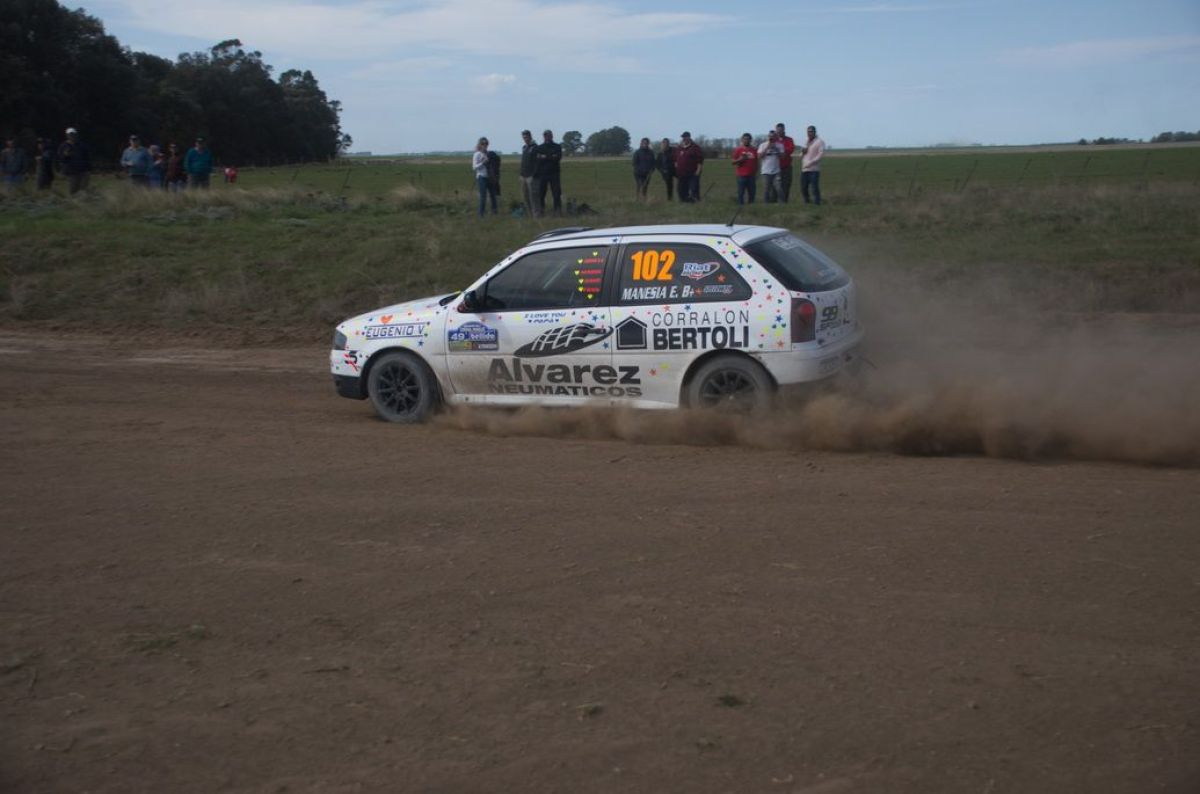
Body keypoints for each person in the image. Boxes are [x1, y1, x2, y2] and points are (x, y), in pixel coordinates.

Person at [534, 129, 563, 216]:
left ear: (552, 136)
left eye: (549, 135)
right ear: (544, 136)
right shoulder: (540, 147)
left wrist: (545, 157)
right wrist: (551, 156)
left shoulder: (557, 146)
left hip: (554, 173)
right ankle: (541, 211)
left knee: (556, 193)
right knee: (541, 193)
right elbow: (538, 159)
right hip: (543, 174)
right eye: (546, 135)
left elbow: (558, 158)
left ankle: (557, 211)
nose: (547, 137)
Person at [57, 127, 91, 195]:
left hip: (82, 170)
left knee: (83, 189)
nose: (72, 136)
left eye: (73, 134)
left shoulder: (81, 145)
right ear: (67, 135)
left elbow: (87, 157)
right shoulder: (63, 146)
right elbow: (60, 158)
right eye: (70, 134)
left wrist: (88, 168)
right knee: (73, 189)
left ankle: (82, 201)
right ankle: (73, 202)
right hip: (71, 171)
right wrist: (65, 155)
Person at [674, 131, 704, 202]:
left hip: (692, 173)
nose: (684, 139)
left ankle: (696, 201)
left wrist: (698, 172)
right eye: (683, 137)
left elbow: (700, 161)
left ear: (689, 137)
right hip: (681, 173)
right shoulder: (680, 148)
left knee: (694, 189)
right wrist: (676, 167)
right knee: (681, 189)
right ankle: (684, 201)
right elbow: (675, 159)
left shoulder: (695, 147)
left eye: (685, 137)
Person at [800, 125, 825, 205]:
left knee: (814, 187)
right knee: (803, 187)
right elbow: (801, 154)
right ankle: (807, 201)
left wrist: (811, 162)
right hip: (805, 168)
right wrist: (802, 152)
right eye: (808, 132)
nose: (809, 133)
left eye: (811, 131)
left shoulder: (819, 142)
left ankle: (817, 202)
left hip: (814, 169)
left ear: (815, 132)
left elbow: (820, 155)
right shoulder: (805, 141)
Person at [731, 132, 758, 205]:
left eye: (748, 139)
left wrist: (756, 173)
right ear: (742, 140)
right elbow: (733, 162)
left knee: (752, 193)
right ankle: (741, 206)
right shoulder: (738, 150)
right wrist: (740, 159)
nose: (746, 141)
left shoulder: (754, 150)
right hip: (741, 175)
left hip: (751, 175)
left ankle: (751, 205)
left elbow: (756, 162)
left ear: (751, 140)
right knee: (741, 192)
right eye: (745, 139)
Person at [471, 137, 496, 216]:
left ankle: (494, 212)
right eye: (482, 143)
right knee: (483, 196)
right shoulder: (477, 154)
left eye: (486, 143)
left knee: (493, 195)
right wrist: (483, 163)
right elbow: (474, 167)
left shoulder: (488, 153)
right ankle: (481, 214)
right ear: (480, 144)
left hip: (490, 177)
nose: (484, 145)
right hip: (481, 177)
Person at [758, 129, 783, 203]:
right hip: (766, 171)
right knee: (767, 189)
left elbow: (782, 157)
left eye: (773, 136)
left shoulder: (780, 145)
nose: (772, 138)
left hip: (776, 171)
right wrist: (767, 147)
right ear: (768, 137)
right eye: (770, 136)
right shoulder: (762, 145)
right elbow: (759, 156)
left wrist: (776, 148)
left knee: (779, 188)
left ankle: (783, 203)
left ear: (776, 137)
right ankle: (766, 204)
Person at [775, 122, 796, 202]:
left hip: (786, 167)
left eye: (781, 130)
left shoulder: (789, 140)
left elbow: (790, 149)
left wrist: (780, 150)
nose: (779, 131)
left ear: (784, 130)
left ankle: (784, 201)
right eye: (778, 130)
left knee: (786, 185)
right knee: (775, 186)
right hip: (775, 167)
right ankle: (773, 201)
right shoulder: (773, 140)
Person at [519, 130, 538, 216]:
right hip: (523, 176)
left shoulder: (534, 147)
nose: (525, 139)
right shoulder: (524, 147)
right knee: (525, 196)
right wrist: (521, 174)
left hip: (531, 176)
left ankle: (536, 213)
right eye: (524, 137)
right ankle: (529, 213)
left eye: (526, 137)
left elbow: (537, 162)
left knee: (533, 196)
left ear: (530, 137)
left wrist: (534, 174)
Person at [485, 145, 501, 211]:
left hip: (491, 178)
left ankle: (493, 209)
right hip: (496, 177)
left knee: (491, 194)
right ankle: (495, 209)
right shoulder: (496, 159)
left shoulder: (489, 159)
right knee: (495, 194)